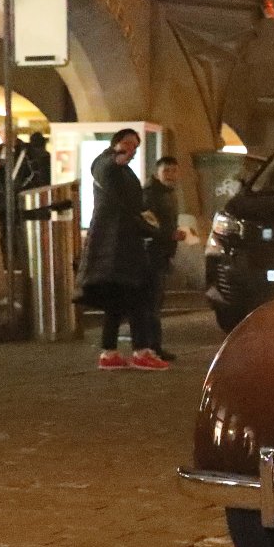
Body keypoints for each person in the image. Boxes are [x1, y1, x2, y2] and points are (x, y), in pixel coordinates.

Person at [76, 129, 167, 370]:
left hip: (120, 242)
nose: (132, 150)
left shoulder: (123, 170)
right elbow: (107, 168)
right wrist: (118, 157)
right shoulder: (105, 164)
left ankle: (109, 352)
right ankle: (141, 350)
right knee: (138, 295)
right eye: (128, 143)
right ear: (116, 143)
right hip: (115, 243)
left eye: (135, 146)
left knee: (116, 300)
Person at [144, 157, 187, 362]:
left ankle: (153, 346)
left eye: (173, 171)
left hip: (163, 253)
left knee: (156, 301)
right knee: (152, 301)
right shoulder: (150, 194)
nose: (170, 175)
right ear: (157, 172)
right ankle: (151, 347)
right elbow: (147, 224)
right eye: (166, 171)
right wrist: (169, 235)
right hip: (151, 253)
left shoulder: (168, 193)